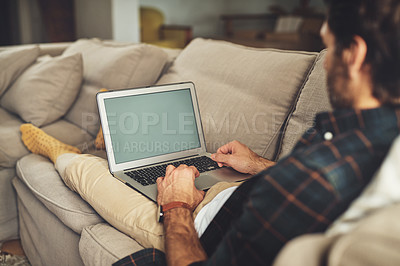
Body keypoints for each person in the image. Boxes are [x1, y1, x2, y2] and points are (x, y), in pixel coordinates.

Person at [19, 0, 400, 265]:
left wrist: (176, 205)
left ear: (355, 55)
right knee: (165, 165)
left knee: (89, 174)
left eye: (329, 47)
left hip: (197, 225)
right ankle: (97, 146)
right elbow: (295, 187)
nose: (327, 60)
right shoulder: (371, 139)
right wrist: (258, 164)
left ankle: (63, 153)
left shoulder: (318, 177)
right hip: (233, 190)